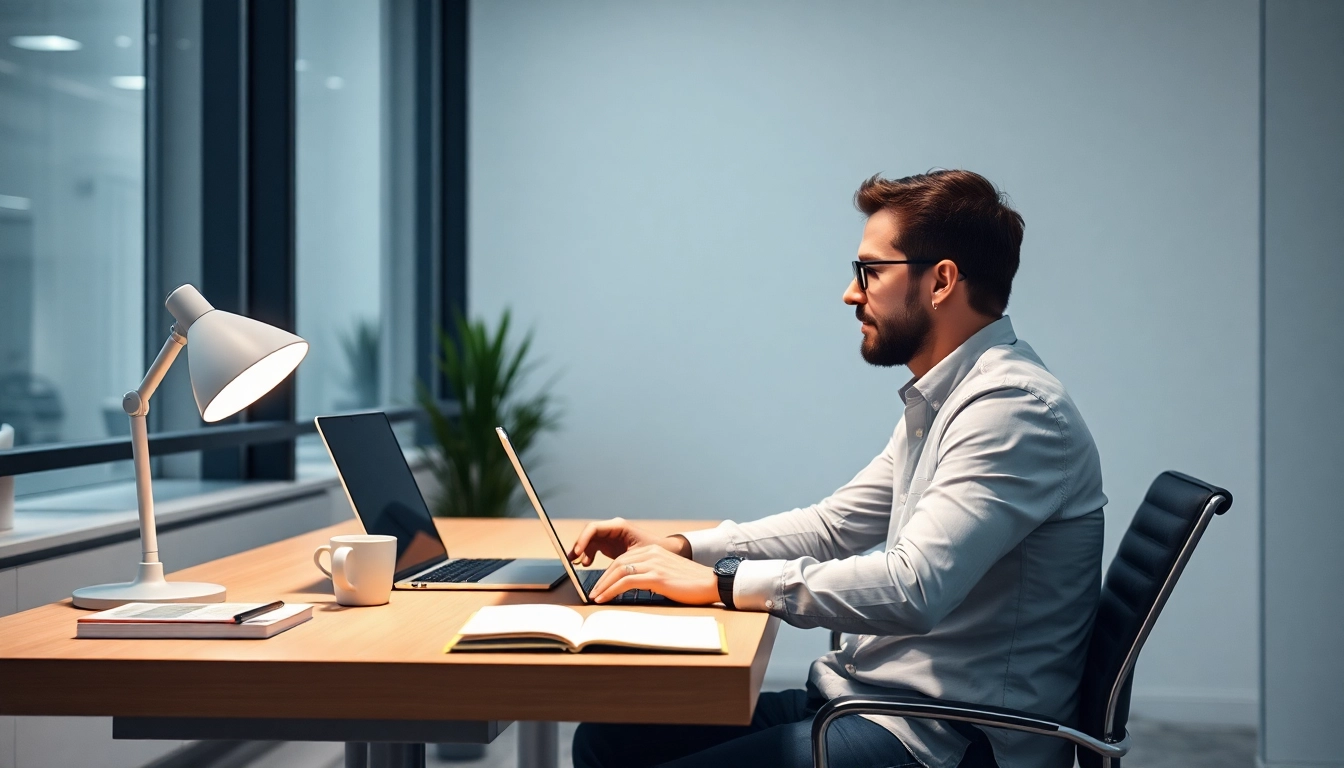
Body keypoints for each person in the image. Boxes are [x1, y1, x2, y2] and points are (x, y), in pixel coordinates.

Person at [568, 169, 1106, 768]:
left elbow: (914, 587)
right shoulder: (948, 399)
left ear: (941, 281)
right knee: (607, 738)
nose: (851, 294)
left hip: (941, 739)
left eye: (870, 272)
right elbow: (833, 526)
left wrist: (723, 582)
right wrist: (681, 547)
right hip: (868, 701)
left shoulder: (1012, 410)